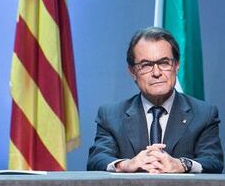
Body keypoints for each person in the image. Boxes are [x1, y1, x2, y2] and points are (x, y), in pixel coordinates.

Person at [87, 27, 223, 173]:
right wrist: (126, 165)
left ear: (176, 65)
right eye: (146, 65)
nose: (157, 73)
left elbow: (213, 161)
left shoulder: (204, 114)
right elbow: (97, 159)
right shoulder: (111, 115)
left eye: (164, 63)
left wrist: (182, 165)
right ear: (132, 72)